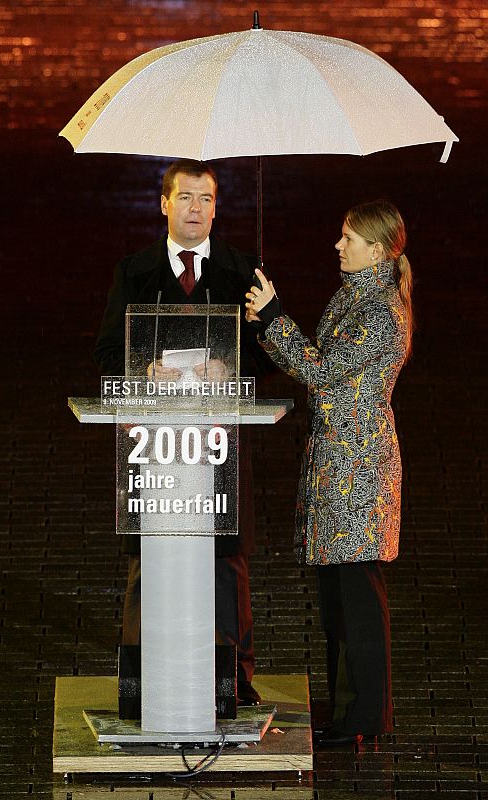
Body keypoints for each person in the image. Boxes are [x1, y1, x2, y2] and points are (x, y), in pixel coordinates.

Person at [94, 158, 271, 706]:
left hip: (218, 443)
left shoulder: (242, 271)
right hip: (154, 447)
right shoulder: (134, 271)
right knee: (150, 557)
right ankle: (141, 676)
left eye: (208, 199)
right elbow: (105, 354)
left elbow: (270, 353)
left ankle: (234, 674)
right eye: (187, 198)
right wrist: (142, 370)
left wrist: (233, 366)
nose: (197, 209)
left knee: (225, 559)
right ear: (164, 204)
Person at [246, 199, 413, 745]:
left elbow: (320, 367)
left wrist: (275, 317)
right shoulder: (356, 296)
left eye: (348, 238)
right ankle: (350, 713)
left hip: (359, 470)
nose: (337, 246)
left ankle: (366, 717)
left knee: (359, 598)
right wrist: (270, 325)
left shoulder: (381, 312)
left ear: (378, 249)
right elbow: (316, 364)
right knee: (339, 603)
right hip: (339, 463)